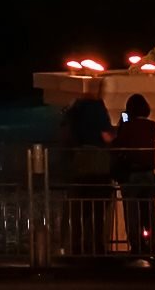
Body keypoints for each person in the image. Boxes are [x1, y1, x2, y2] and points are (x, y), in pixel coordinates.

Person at [57, 97, 115, 260]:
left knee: (80, 209)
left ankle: (76, 246)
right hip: (98, 165)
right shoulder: (97, 111)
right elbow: (107, 137)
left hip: (79, 165)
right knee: (98, 210)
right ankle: (96, 246)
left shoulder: (74, 115)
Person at [111, 94, 155, 265]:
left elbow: (118, 144)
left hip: (132, 174)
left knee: (131, 211)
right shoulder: (152, 126)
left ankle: (136, 246)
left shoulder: (128, 126)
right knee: (149, 209)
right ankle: (153, 243)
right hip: (148, 174)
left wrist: (122, 124)